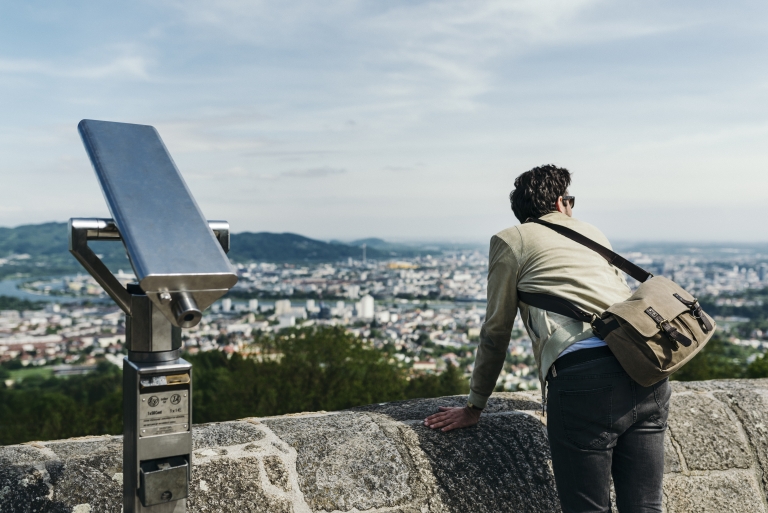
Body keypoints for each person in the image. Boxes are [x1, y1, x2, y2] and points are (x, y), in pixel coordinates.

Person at [424, 165, 670, 513]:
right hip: (647, 372)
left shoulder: (512, 240)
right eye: (571, 200)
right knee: (645, 506)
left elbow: (496, 331)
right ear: (559, 202)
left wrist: (475, 405)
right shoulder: (592, 232)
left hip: (584, 379)